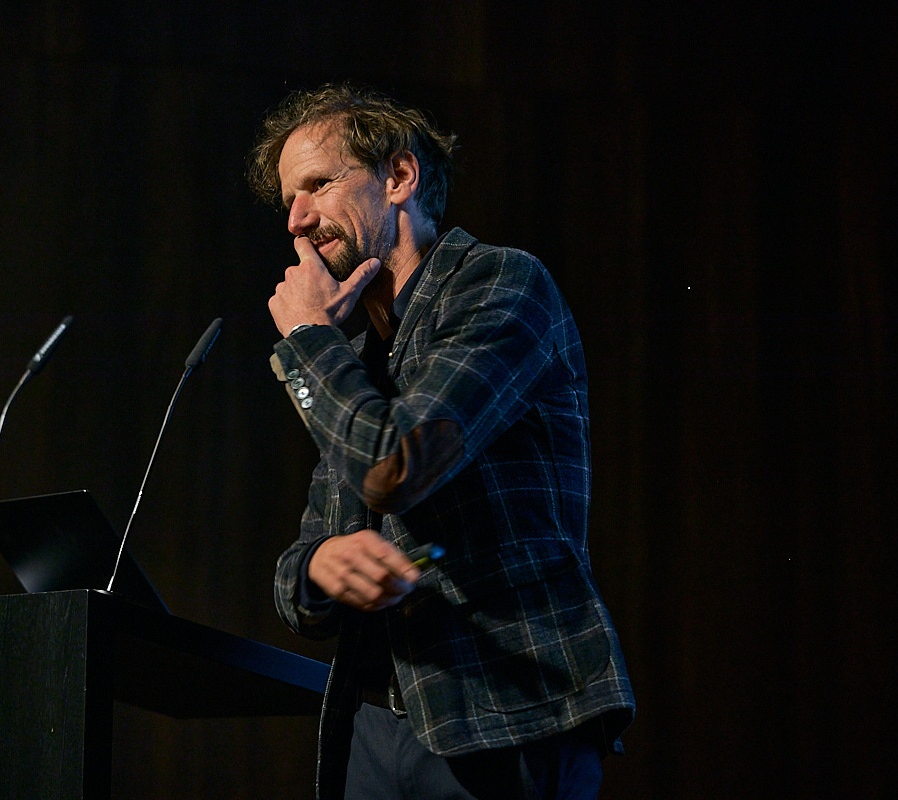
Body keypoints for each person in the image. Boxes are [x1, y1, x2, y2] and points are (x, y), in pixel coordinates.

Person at [247, 84, 634, 800]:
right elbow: (294, 580)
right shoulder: (355, 361)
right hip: (374, 728)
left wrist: (305, 336)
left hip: (509, 710)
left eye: (318, 185)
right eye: (287, 201)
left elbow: (396, 465)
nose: (296, 221)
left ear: (399, 176)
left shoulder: (500, 285)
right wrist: (323, 565)